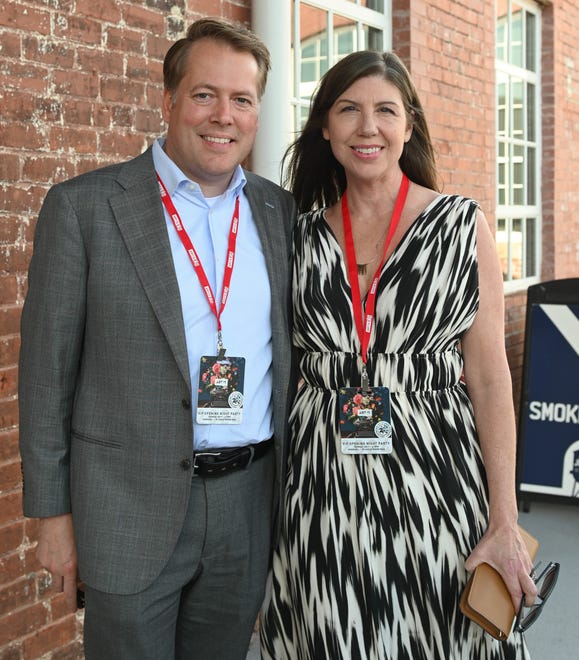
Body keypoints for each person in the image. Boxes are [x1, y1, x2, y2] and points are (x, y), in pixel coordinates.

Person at [18, 17, 296, 660]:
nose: (222, 115)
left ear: (257, 111)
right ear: (169, 100)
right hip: (126, 505)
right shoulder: (84, 208)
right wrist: (53, 518)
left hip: (247, 504)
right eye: (204, 94)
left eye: (242, 99)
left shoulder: (280, 214)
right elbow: (46, 375)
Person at [259, 50, 537, 659]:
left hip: (435, 483)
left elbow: (490, 380)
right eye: (348, 109)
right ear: (324, 127)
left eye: (385, 111)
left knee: (436, 638)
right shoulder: (297, 236)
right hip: (323, 489)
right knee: (335, 634)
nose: (368, 127)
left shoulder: (461, 226)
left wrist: (504, 520)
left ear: (408, 126)